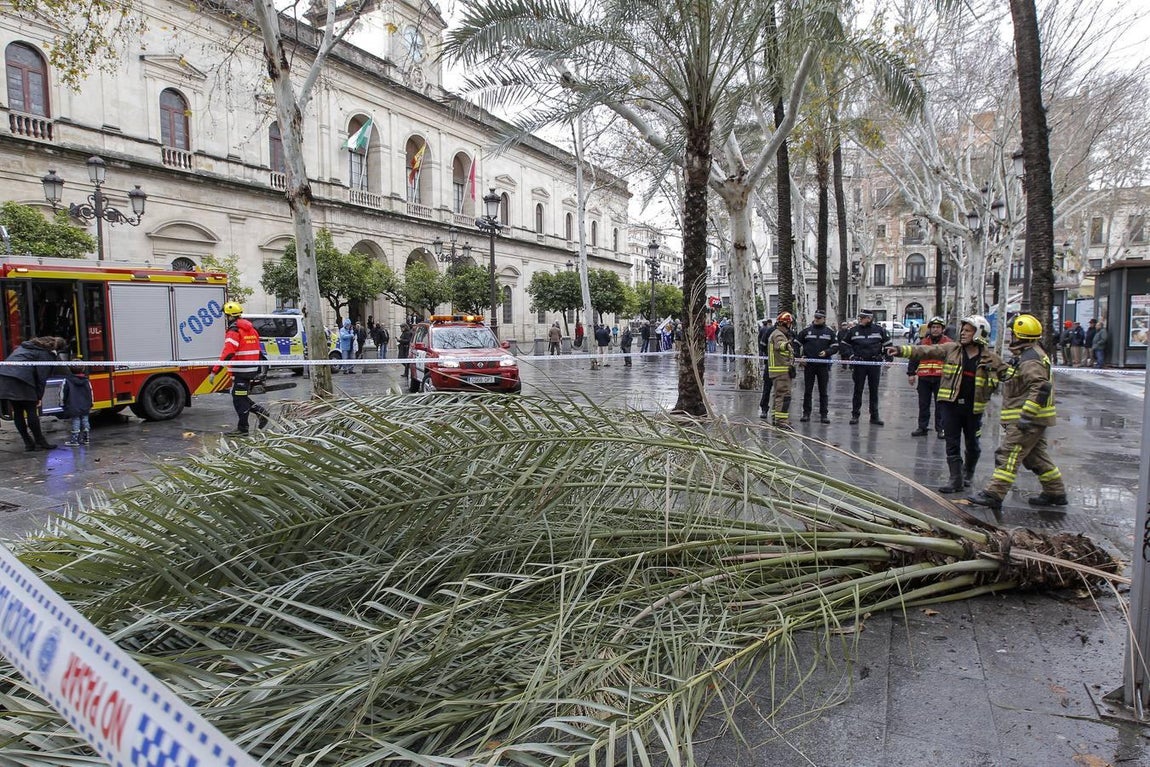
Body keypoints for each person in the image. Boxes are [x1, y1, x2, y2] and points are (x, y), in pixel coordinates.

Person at [888, 315, 1008, 494]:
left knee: (972, 443)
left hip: (973, 408)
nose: (963, 333)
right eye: (963, 330)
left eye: (968, 330)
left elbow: (1011, 377)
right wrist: (901, 350)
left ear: (980, 333)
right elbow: (926, 351)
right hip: (950, 405)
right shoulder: (951, 349)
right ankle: (955, 479)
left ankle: (968, 473)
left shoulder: (992, 359)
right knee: (951, 442)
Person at [969, 313, 1067, 511]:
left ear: (1018, 335)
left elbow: (1040, 386)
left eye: (1012, 333)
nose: (1010, 336)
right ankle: (1055, 492)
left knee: (1008, 453)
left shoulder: (1030, 358)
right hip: (1034, 419)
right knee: (1036, 457)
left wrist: (1027, 416)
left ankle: (994, 493)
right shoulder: (1029, 354)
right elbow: (1013, 378)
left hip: (1027, 420)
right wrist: (993, 361)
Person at [209, 302, 270, 436]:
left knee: (238, 399)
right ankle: (259, 414)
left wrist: (215, 371)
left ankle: (244, 428)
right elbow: (258, 350)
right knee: (240, 396)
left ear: (229, 316)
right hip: (251, 369)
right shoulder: (252, 329)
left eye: (226, 315)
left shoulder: (234, 331)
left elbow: (228, 353)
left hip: (240, 370)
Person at [0, 336, 65, 451]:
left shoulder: (25, 347)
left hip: (5, 378)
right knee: (31, 411)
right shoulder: (45, 355)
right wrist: (39, 397)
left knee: (18, 411)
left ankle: (28, 443)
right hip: (22, 380)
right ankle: (40, 441)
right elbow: (41, 377)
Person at [839, 309, 890, 425]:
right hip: (859, 364)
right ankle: (855, 415)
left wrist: (888, 359)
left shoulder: (879, 330)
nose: (860, 320)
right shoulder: (853, 331)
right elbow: (844, 345)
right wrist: (851, 356)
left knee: (874, 391)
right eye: (860, 318)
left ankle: (874, 416)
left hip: (874, 363)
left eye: (862, 318)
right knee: (858, 390)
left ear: (869, 319)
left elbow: (888, 345)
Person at [907, 316, 951, 438]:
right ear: (930, 329)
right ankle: (922, 427)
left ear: (942, 329)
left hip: (941, 379)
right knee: (923, 404)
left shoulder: (949, 343)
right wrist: (911, 374)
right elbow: (914, 357)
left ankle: (941, 429)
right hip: (924, 378)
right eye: (933, 327)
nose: (935, 330)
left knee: (941, 406)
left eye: (938, 327)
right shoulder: (923, 342)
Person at [794, 309, 837, 423]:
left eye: (819, 318)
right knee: (808, 390)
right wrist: (799, 357)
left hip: (823, 366)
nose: (816, 320)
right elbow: (795, 344)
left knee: (823, 391)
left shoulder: (829, 332)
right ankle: (806, 413)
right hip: (809, 365)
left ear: (824, 319)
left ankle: (824, 414)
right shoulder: (806, 331)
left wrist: (827, 352)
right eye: (815, 317)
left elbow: (835, 347)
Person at [765, 312, 797, 428]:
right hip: (782, 371)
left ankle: (776, 418)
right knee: (784, 396)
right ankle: (781, 421)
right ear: (787, 324)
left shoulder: (776, 333)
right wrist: (787, 345)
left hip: (778, 371)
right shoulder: (779, 335)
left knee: (777, 396)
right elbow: (780, 345)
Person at [61, 361, 94, 447]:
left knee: (76, 421)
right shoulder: (86, 381)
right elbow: (91, 392)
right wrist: (91, 403)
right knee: (85, 420)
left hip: (73, 405)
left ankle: (74, 440)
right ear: (83, 369)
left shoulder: (67, 380)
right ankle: (86, 438)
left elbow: (63, 393)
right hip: (85, 404)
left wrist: (62, 403)